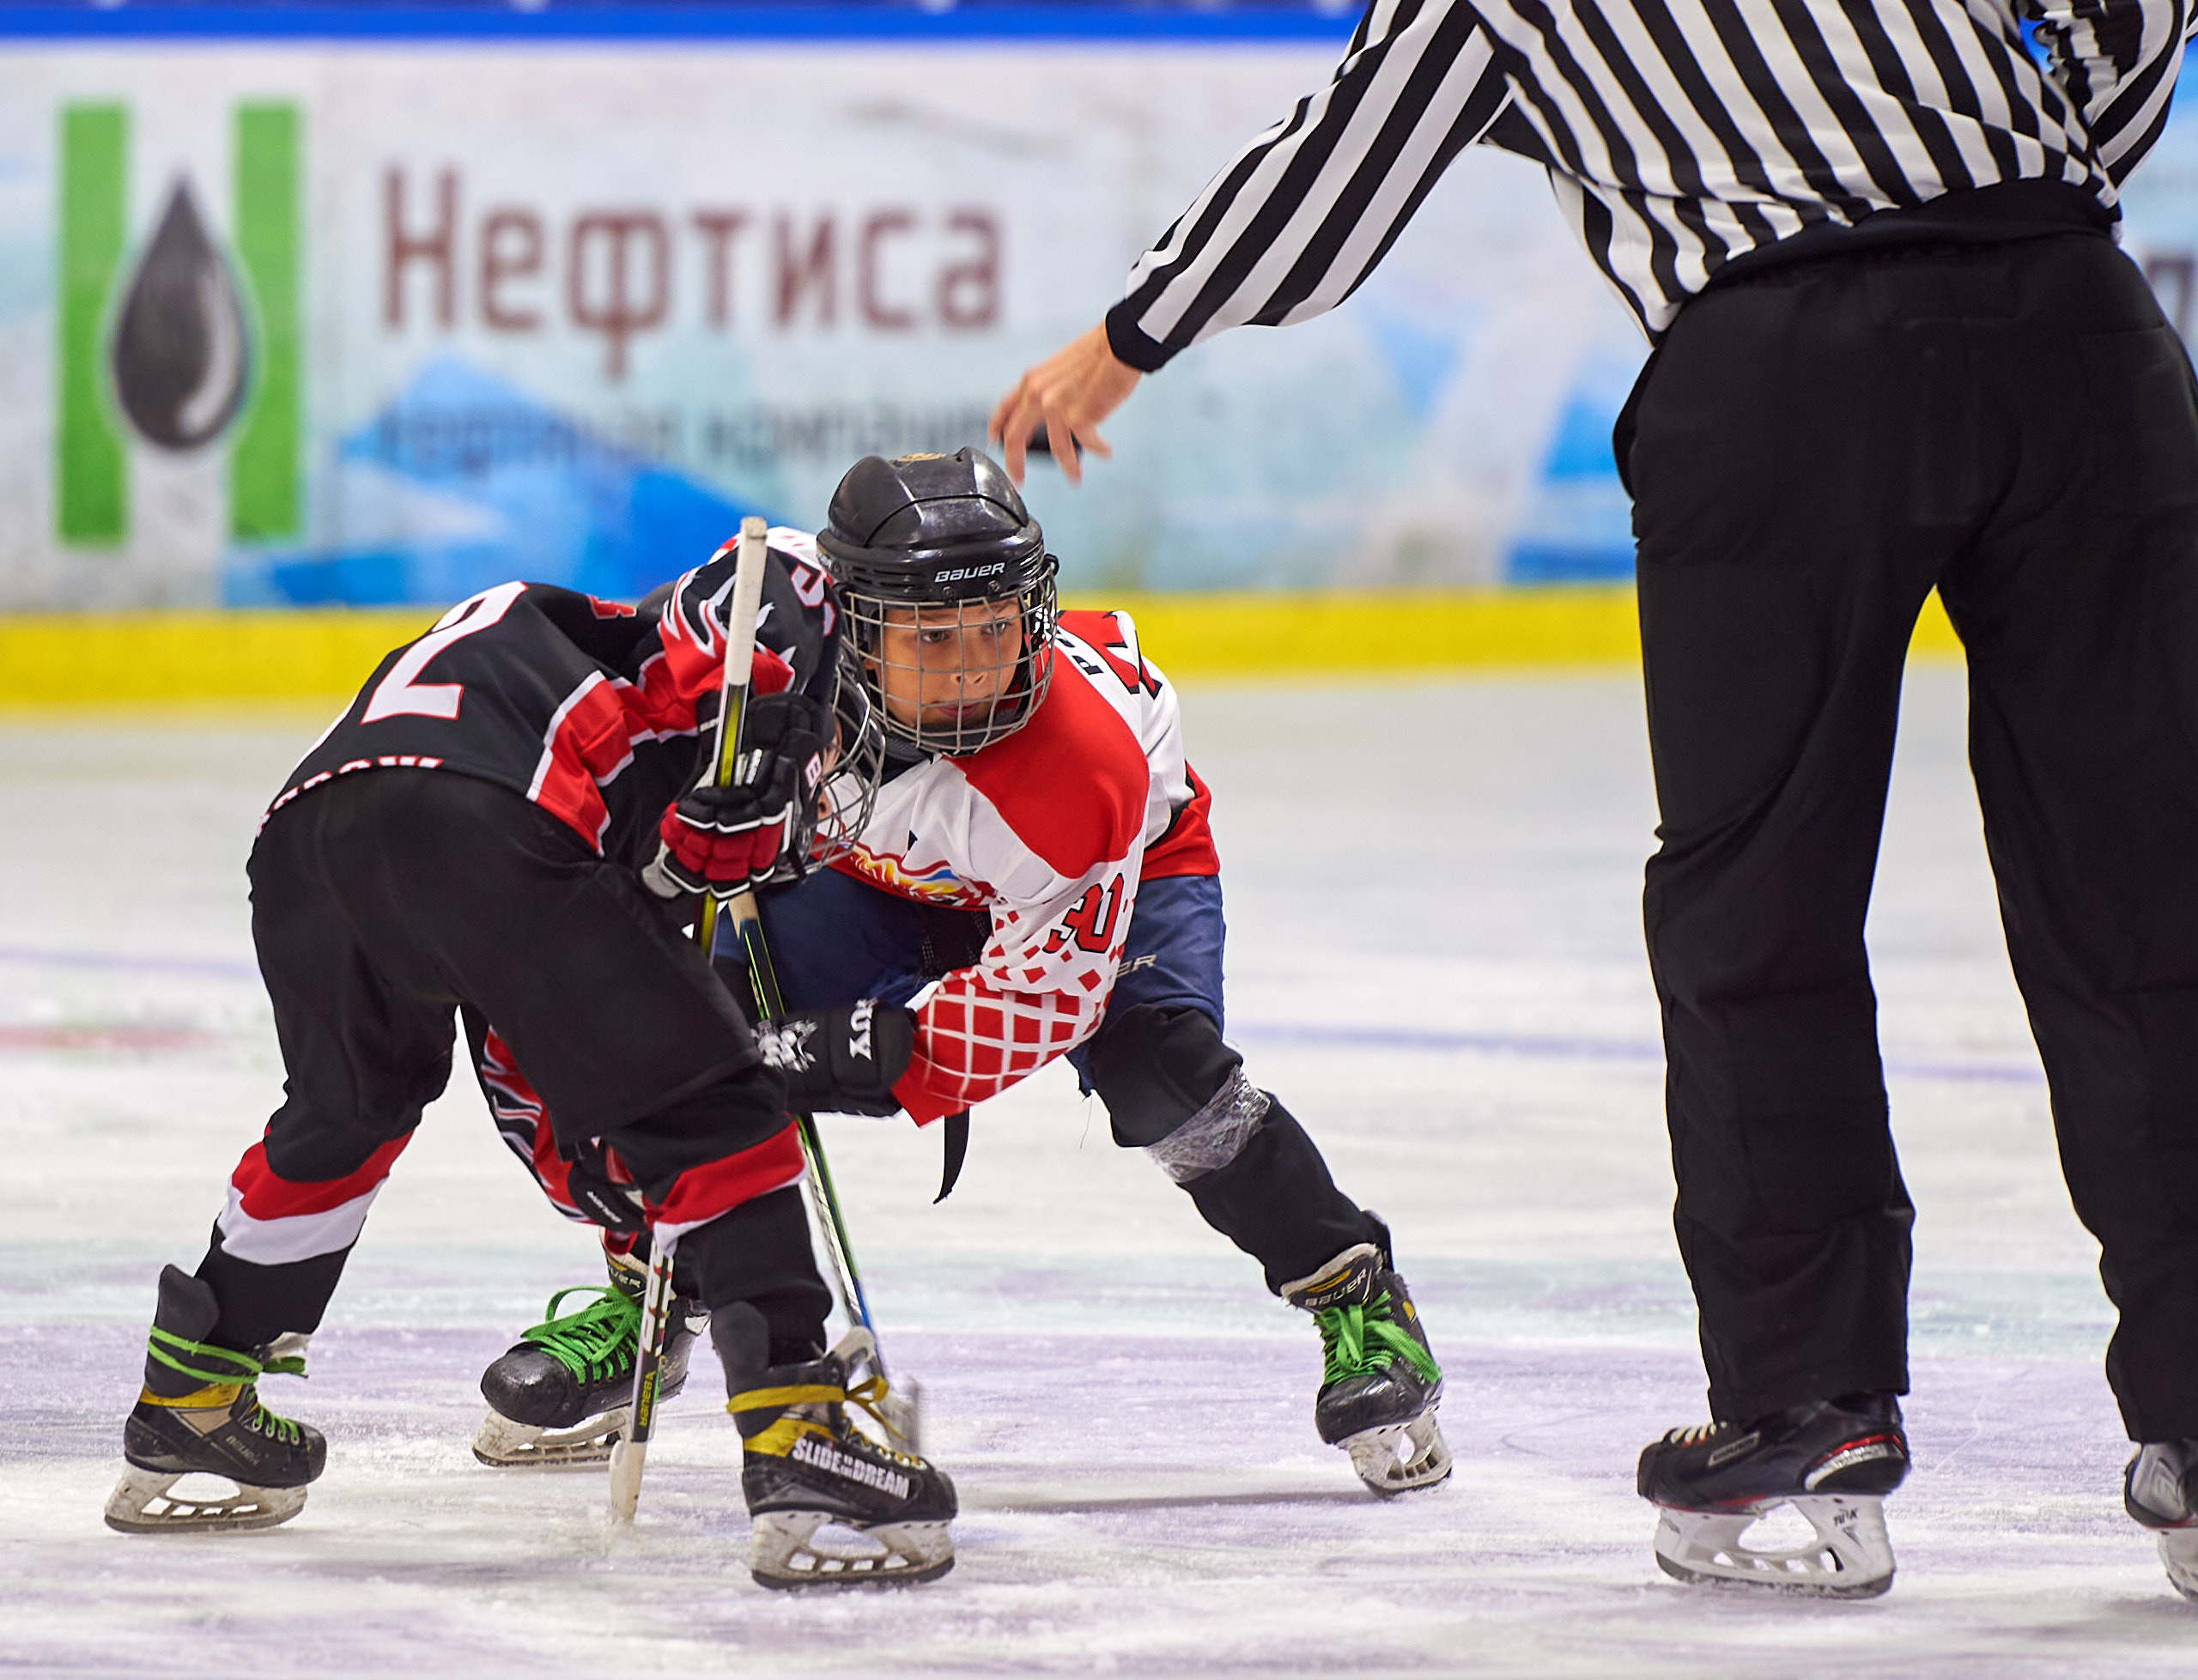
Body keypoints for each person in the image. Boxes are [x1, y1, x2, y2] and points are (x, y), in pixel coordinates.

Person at [989, 0, 2198, 1600]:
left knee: (1757, 902)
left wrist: (1126, 337)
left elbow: (1346, 164)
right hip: (2080, 333)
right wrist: (2019, 173)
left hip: (1787, 369)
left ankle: (1810, 1402)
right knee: (2149, 894)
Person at [474, 447, 1453, 1499]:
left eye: (994, 627)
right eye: (932, 637)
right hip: (875, 874)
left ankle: (1356, 1293)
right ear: (854, 627)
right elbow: (616, 744)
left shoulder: (1080, 773)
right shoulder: (763, 630)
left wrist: (869, 1055)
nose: (973, 668)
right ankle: (654, 1290)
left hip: (1106, 869)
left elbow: (1044, 998)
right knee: (698, 1035)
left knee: (1162, 1069)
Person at [105, 536, 961, 1591]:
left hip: (305, 840)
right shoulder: (742, 613)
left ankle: (189, 1397)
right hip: (480, 808)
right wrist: (756, 760)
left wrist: (623, 1187)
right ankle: (802, 1442)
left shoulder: (558, 689)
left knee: (347, 1114)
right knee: (725, 1107)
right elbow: (769, 581)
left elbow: (540, 1045)